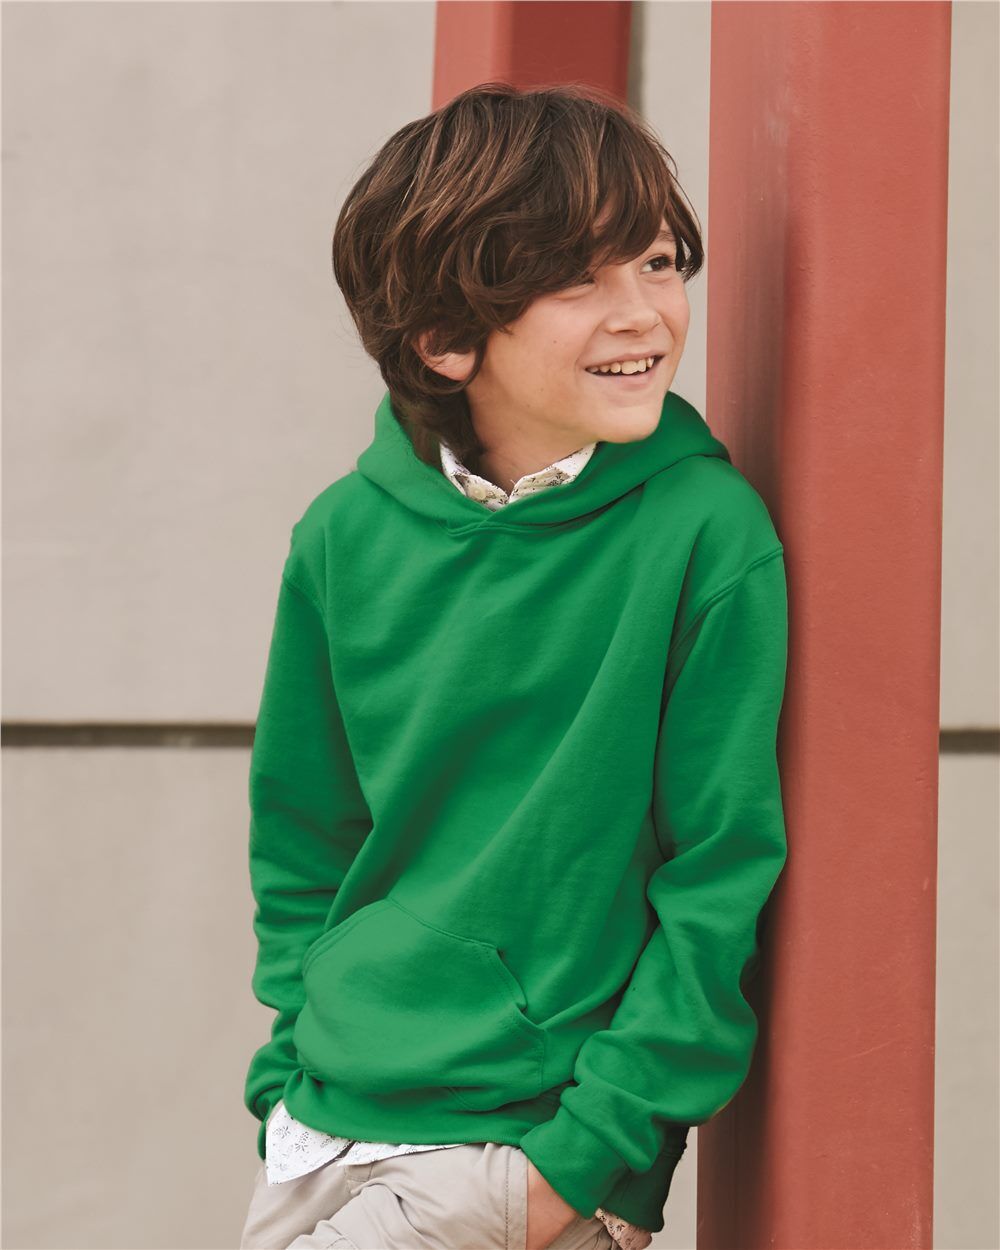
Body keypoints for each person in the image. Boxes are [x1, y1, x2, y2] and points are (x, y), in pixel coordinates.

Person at [239, 81, 789, 1250]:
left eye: (656, 262)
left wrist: (589, 1158)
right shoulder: (343, 535)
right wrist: (285, 1067)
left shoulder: (705, 534)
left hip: (523, 1151)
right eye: (578, 281)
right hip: (320, 1124)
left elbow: (719, 875)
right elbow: (306, 837)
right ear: (445, 339)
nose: (643, 314)